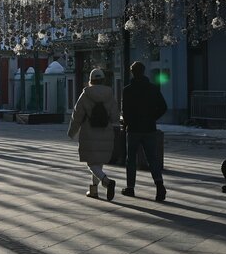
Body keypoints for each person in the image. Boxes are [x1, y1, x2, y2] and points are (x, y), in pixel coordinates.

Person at [67, 68, 120, 201]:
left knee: (91, 163)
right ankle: (94, 190)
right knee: (98, 161)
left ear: (91, 80)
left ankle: (107, 181)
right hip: (105, 131)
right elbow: (115, 115)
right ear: (102, 80)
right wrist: (116, 130)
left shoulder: (85, 95)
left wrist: (72, 131)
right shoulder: (110, 95)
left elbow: (77, 115)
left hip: (89, 132)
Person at [122, 61, 168, 201]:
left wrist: (128, 123)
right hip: (149, 128)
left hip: (134, 129)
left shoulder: (127, 90)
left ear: (132, 72)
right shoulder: (153, 89)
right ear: (143, 71)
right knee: (152, 158)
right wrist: (152, 117)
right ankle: (159, 185)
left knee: (131, 160)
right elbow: (163, 107)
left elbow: (125, 110)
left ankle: (130, 188)